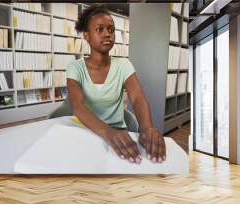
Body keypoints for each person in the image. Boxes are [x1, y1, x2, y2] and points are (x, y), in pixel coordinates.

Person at [66, 4, 166, 164]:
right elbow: (78, 106)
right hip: (87, 131)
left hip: (119, 131)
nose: (107, 34)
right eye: (99, 29)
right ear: (87, 36)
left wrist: (146, 129)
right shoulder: (75, 67)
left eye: (111, 30)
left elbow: (137, 98)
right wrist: (107, 132)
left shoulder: (123, 65)